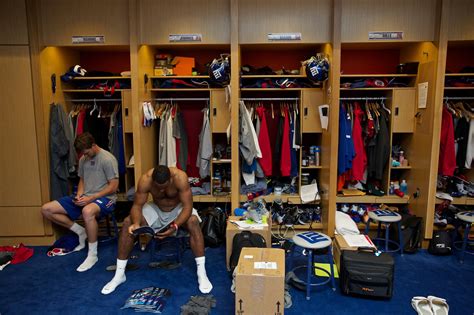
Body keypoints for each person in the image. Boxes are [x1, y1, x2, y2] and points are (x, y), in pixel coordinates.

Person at [101, 165, 213, 295]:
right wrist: (136, 223)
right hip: (156, 209)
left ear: (170, 179)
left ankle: (201, 272)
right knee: (127, 222)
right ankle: (119, 274)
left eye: (165, 187)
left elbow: (188, 207)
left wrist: (175, 226)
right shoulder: (145, 179)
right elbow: (137, 206)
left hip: (178, 209)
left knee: (193, 222)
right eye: (158, 188)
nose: (161, 190)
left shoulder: (180, 177)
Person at [41, 132, 119, 272]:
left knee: (87, 211)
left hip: (106, 199)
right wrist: (79, 195)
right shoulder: (83, 159)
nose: (85, 155)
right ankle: (80, 231)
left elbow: (113, 186)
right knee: (47, 209)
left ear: (94, 145)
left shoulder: (108, 159)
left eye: (87, 151)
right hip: (86, 197)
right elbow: (82, 179)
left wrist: (91, 198)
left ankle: (92, 254)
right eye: (83, 152)